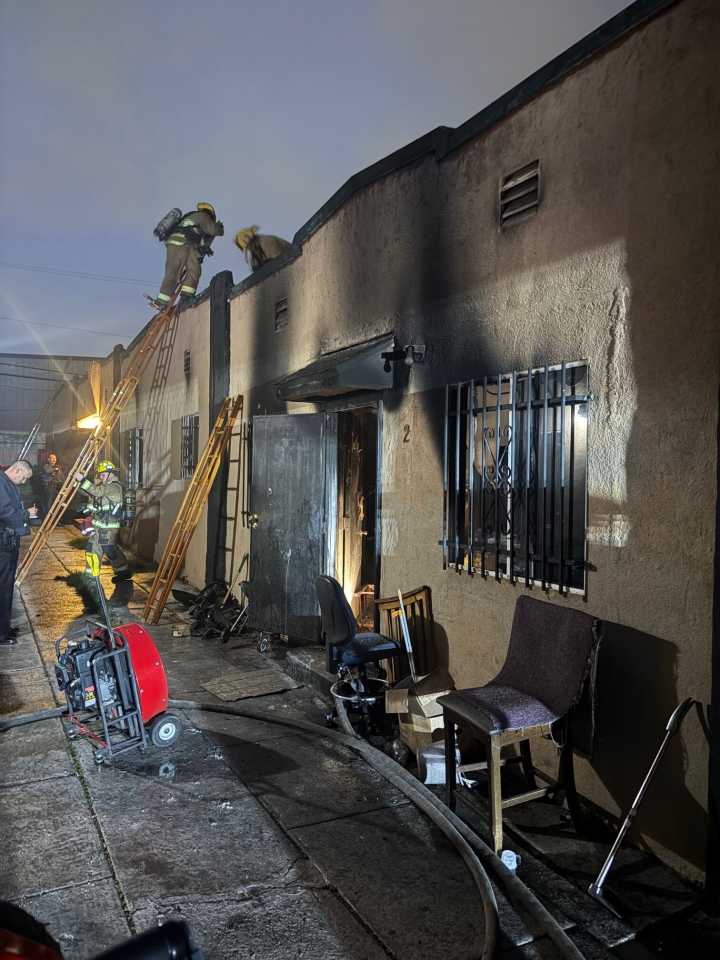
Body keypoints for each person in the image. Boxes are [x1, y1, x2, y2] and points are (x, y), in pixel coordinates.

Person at [152, 202, 224, 310]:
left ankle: (162, 300)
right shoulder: (204, 216)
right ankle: (187, 296)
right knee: (194, 269)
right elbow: (213, 230)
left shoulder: (190, 217)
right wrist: (220, 227)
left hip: (172, 243)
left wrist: (202, 248)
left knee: (172, 272)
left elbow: (197, 239)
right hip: (185, 243)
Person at [75, 460, 131, 581]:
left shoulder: (114, 486)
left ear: (111, 473)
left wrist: (82, 480)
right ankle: (91, 576)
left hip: (109, 526)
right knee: (92, 548)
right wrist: (77, 483)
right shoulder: (105, 486)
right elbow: (93, 495)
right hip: (98, 524)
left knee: (109, 549)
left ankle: (123, 571)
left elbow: (97, 491)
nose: (101, 477)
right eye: (100, 475)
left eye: (103, 474)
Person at [0, 459, 33, 645]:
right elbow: (5, 512)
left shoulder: (7, 483)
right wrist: (26, 515)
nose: (24, 481)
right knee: (2, 588)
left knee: (6, 588)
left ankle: (4, 628)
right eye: (24, 477)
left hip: (8, 543)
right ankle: (1, 634)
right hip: (2, 545)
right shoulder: (1, 483)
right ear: (17, 470)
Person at [40, 451, 65, 517]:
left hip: (57, 488)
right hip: (49, 487)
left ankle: (55, 517)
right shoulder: (46, 466)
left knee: (57, 503)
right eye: (52, 458)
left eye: (55, 458)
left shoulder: (58, 467)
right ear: (49, 459)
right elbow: (48, 471)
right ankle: (47, 517)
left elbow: (62, 478)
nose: (54, 460)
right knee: (49, 504)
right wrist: (55, 470)